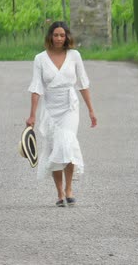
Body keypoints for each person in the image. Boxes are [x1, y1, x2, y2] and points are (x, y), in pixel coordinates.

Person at [26, 21, 97, 207]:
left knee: (67, 143)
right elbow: (36, 88)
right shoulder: (40, 59)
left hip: (69, 107)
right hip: (50, 108)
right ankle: (59, 193)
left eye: (62, 35)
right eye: (56, 35)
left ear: (67, 38)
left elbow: (83, 84)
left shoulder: (74, 56)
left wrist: (91, 110)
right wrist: (32, 115)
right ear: (50, 36)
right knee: (54, 147)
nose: (59, 38)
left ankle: (69, 189)